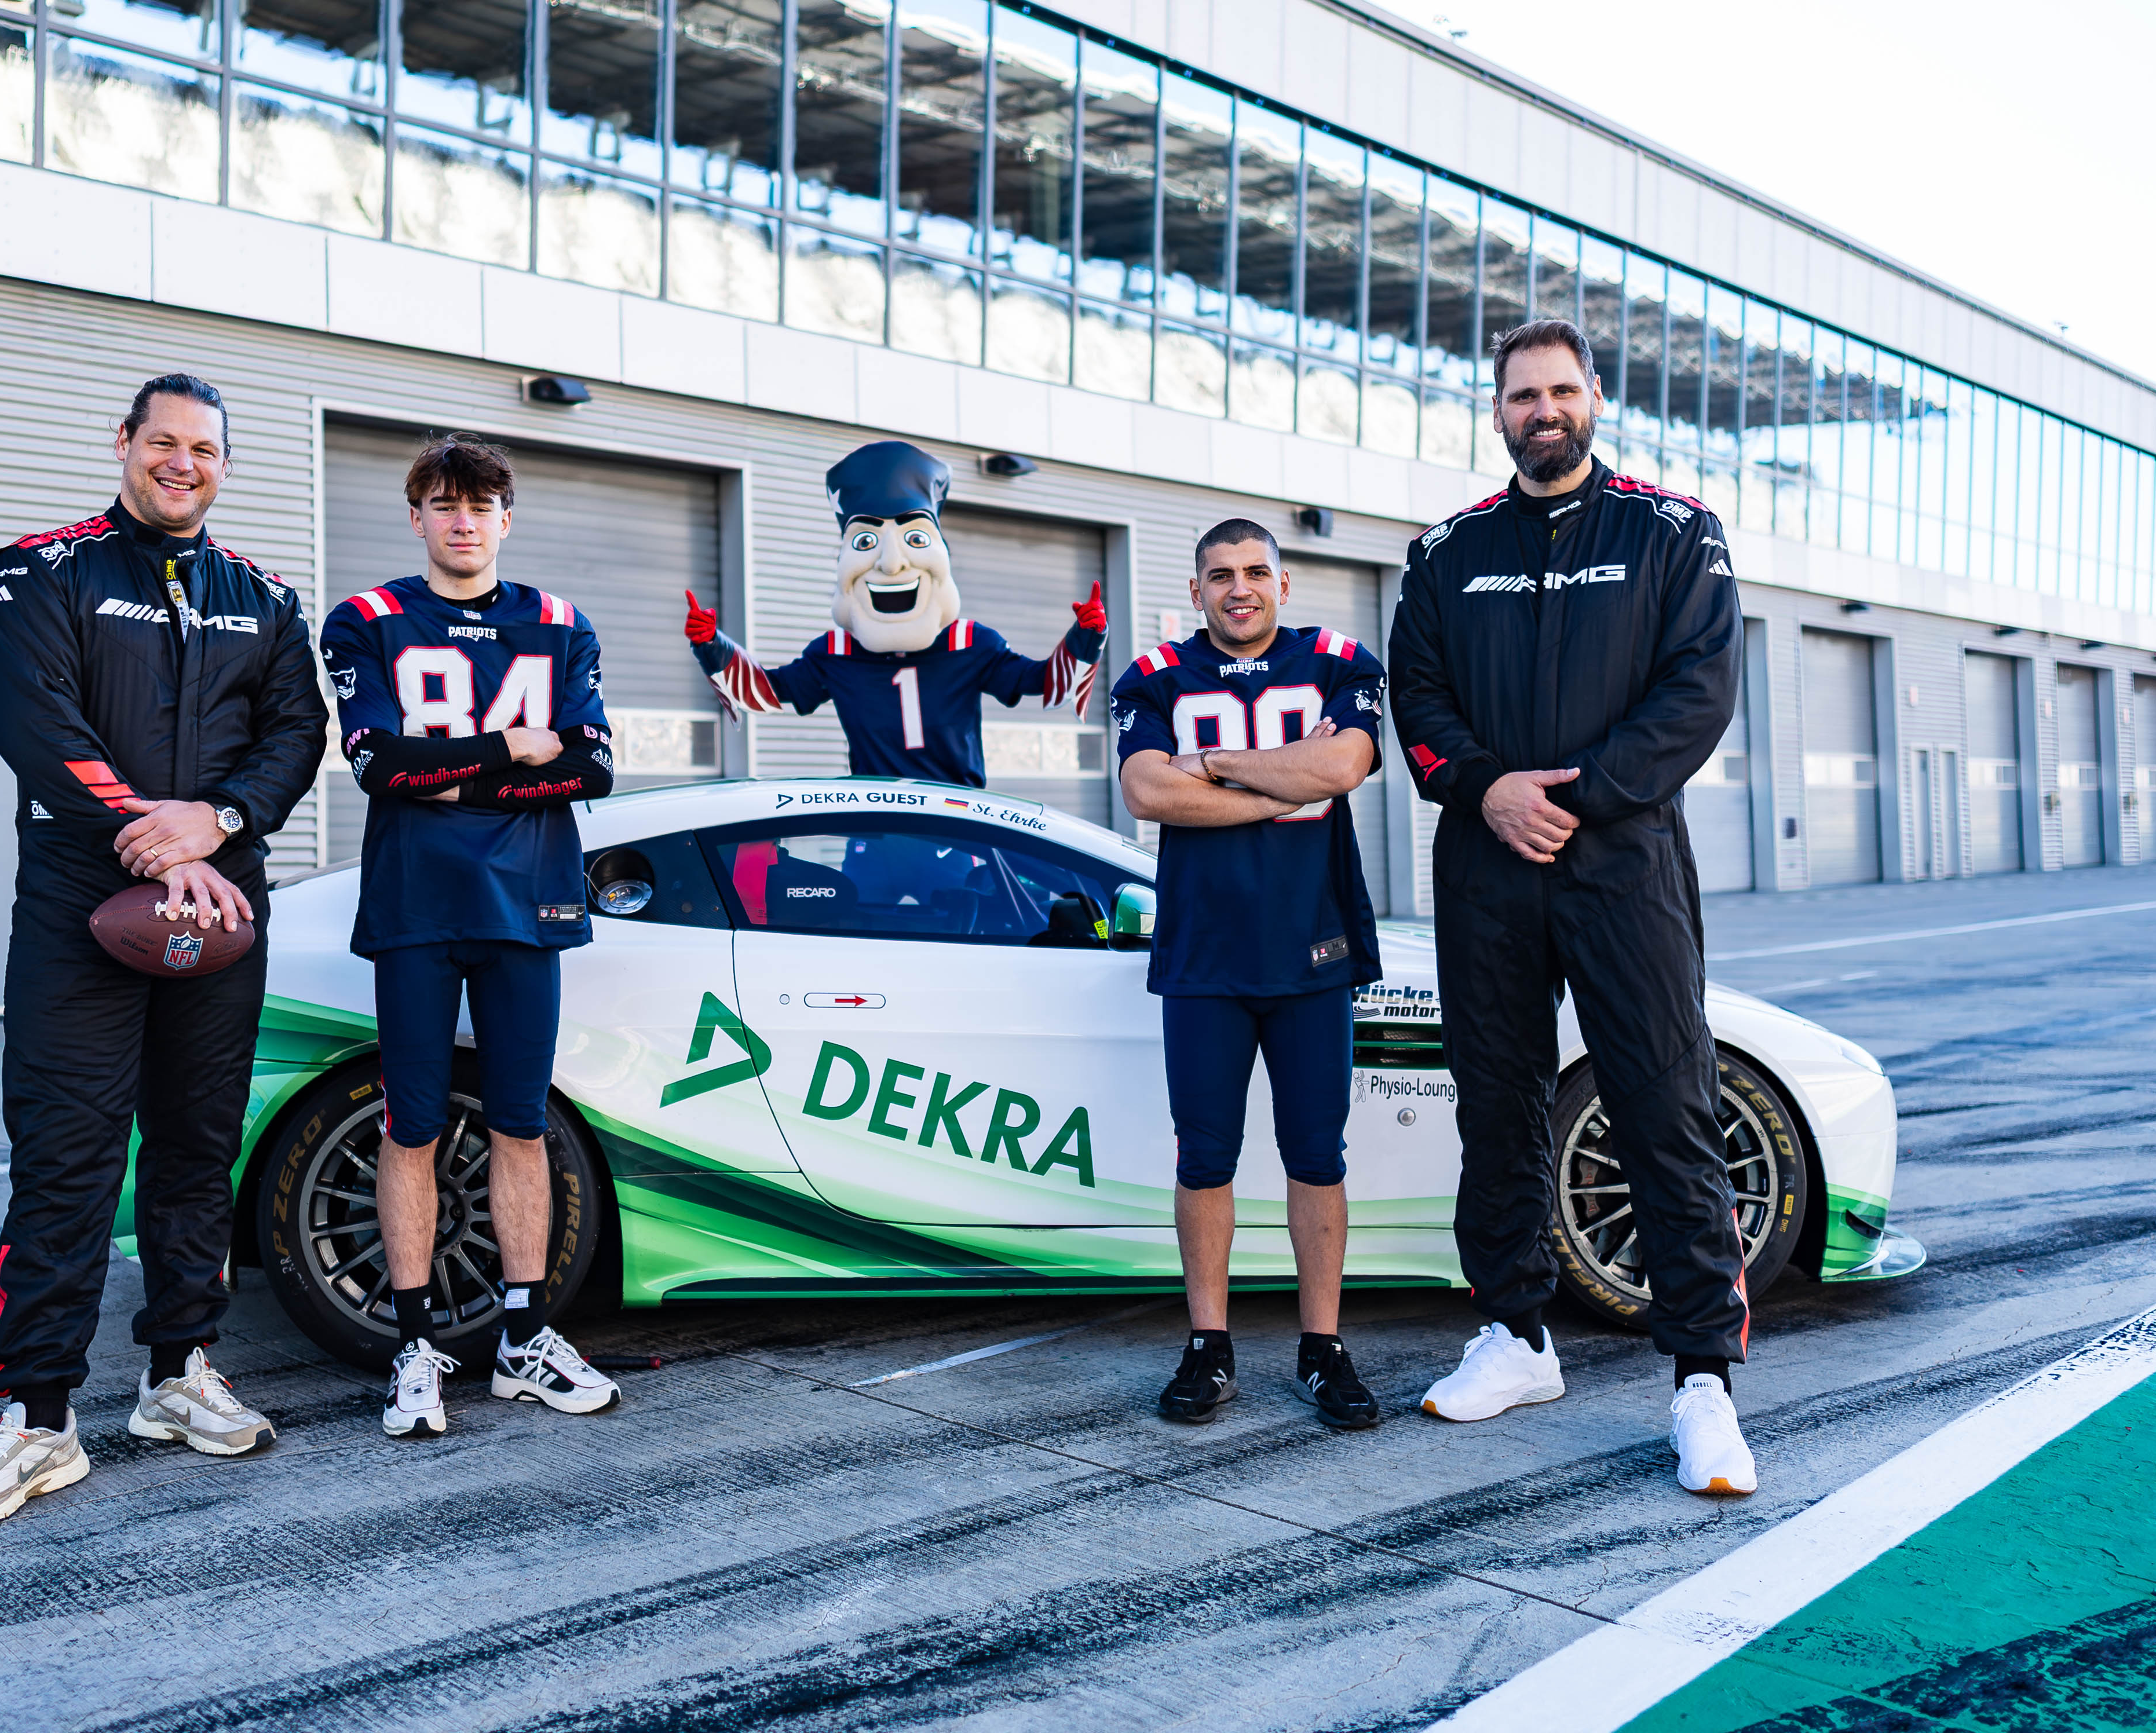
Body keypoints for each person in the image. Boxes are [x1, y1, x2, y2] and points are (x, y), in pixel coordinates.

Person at [0, 374, 328, 1531]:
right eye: (163, 440)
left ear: (223, 464)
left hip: (223, 903)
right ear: (124, 443)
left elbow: (297, 730)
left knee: (199, 1143)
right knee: (68, 1151)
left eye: (203, 447)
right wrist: (156, 838)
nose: (181, 461)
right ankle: (39, 1417)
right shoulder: (41, 571)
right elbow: (37, 722)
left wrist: (222, 820)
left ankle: (179, 1374)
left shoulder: (265, 597)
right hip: (84, 901)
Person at [1386, 319, 1755, 1496]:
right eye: (1519, 395)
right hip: (1485, 861)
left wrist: (1576, 796)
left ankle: (1702, 1382)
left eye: (1559, 389)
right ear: (1496, 411)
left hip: (1623, 861)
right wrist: (1486, 789)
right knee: (1497, 1105)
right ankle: (1516, 1334)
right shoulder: (1447, 552)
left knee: (1663, 1104)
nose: (1540, 410)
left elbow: (1698, 693)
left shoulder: (1674, 531)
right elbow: (1417, 698)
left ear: (1594, 396)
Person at [318, 434, 620, 1439]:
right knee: (410, 1124)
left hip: (529, 901)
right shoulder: (367, 618)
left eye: (480, 506)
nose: (462, 521)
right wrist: (507, 749)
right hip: (415, 903)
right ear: (415, 517)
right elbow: (379, 764)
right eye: (443, 504)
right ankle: (416, 1346)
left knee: (520, 1122)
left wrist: (450, 779)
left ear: (506, 519)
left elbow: (591, 769)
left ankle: (524, 1338)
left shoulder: (560, 623)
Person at [1112, 519, 1388, 1430]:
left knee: (1317, 1154)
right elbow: (1149, 791)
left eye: (1256, 572)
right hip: (1206, 955)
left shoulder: (1338, 661)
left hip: (1313, 946)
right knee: (1204, 1157)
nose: (1240, 588)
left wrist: (1219, 769)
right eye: (1222, 574)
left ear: (1283, 583)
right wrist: (1284, 783)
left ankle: (1323, 1347)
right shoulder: (1154, 675)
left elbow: (1344, 765)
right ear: (1196, 590)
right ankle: (1209, 1345)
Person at [681, 440, 1105, 785]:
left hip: (957, 822)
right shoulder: (837, 651)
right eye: (865, 543)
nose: (891, 564)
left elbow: (1041, 681)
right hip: (877, 819)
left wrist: (1085, 636)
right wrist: (712, 644)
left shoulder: (970, 644)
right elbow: (769, 690)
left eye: (914, 540)